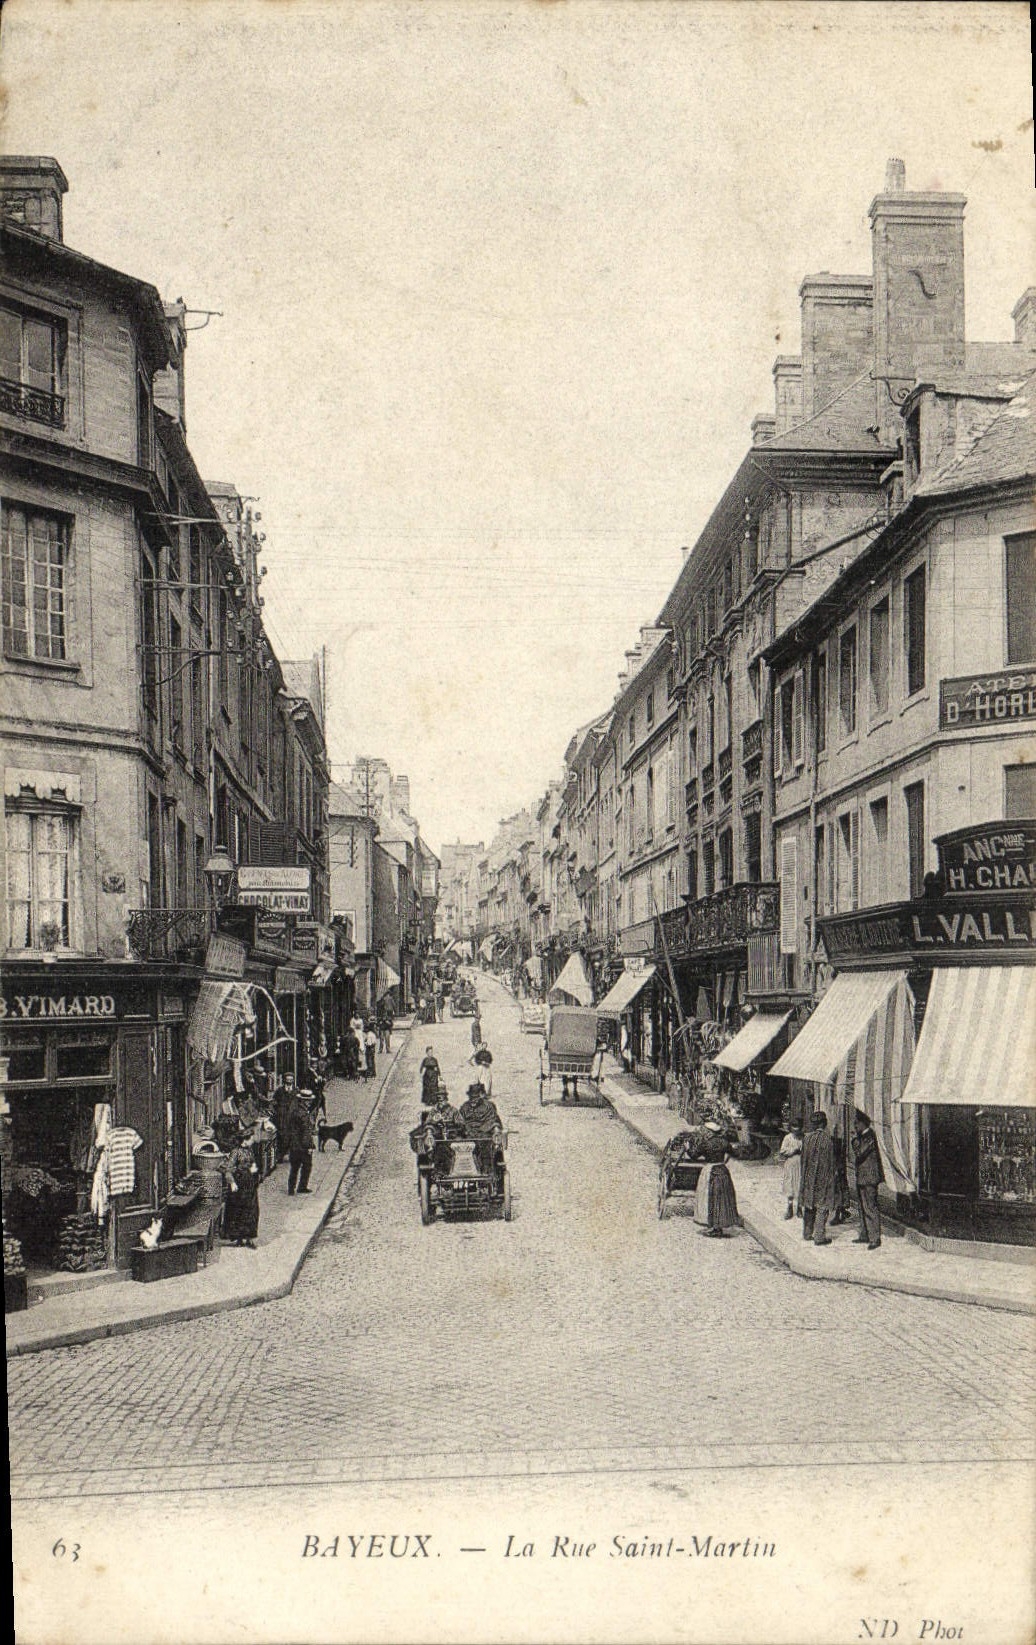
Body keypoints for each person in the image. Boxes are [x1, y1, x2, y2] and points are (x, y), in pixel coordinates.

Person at [692, 1121, 742, 1237]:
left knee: (710, 1198)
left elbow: (694, 1155)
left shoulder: (705, 1143)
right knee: (723, 1198)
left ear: (709, 1132)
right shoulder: (724, 1142)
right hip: (723, 1171)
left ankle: (714, 1227)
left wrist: (687, 1147)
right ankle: (719, 1226)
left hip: (711, 1172)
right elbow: (736, 1154)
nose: (704, 1132)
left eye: (705, 1131)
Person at [800, 1109, 837, 1245]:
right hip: (823, 1177)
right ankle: (819, 1237)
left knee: (809, 1204)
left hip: (809, 1176)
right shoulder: (827, 1140)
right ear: (825, 1123)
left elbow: (803, 1159)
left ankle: (807, 1232)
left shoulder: (807, 1138)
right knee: (822, 1205)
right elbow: (831, 1162)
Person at [852, 1108, 885, 1249]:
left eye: (857, 1123)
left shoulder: (870, 1137)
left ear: (864, 1123)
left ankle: (874, 1238)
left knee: (870, 1207)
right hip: (862, 1177)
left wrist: (855, 1140)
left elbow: (860, 1153)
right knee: (862, 1207)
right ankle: (865, 1235)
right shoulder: (862, 1137)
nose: (855, 1126)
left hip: (870, 1178)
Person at [222, 1129, 260, 1247]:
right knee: (237, 1211)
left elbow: (253, 1164)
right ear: (245, 1139)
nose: (253, 1140)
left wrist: (254, 1169)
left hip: (249, 1185)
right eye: (252, 1138)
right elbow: (228, 1170)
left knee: (252, 1211)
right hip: (239, 1186)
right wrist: (232, 1183)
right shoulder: (235, 1152)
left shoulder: (250, 1151)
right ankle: (239, 1238)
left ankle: (249, 1238)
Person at [459, 1082, 503, 1177]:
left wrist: (484, 1130)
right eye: (471, 1097)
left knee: (485, 1145)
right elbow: (460, 1121)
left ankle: (486, 1173)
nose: (473, 1100)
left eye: (476, 1097)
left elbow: (493, 1120)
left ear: (480, 1095)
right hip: (467, 1135)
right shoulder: (464, 1107)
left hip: (483, 1134)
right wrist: (466, 1130)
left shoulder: (488, 1107)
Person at [283, 1086, 315, 1195]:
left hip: (294, 1145)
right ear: (304, 1101)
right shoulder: (303, 1114)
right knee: (307, 1166)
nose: (310, 1102)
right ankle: (302, 1187)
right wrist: (309, 1146)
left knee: (294, 1168)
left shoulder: (295, 1111)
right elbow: (306, 1132)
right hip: (302, 1146)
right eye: (308, 1101)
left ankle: (291, 1189)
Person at [270, 1070, 298, 1160]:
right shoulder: (280, 1090)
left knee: (292, 1135)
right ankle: (281, 1155)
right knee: (281, 1135)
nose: (289, 1081)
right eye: (287, 1079)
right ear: (284, 1080)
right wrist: (277, 1110)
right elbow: (274, 1101)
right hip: (282, 1116)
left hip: (293, 1116)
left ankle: (291, 1154)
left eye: (291, 1080)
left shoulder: (296, 1090)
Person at [778, 1124, 803, 1220]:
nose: (796, 1131)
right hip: (790, 1163)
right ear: (792, 1129)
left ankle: (799, 1207)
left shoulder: (802, 1138)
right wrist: (793, 1150)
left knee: (800, 1184)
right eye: (794, 1128)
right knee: (790, 1185)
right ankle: (790, 1207)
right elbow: (783, 1151)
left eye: (798, 1129)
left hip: (800, 1163)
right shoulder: (788, 1138)